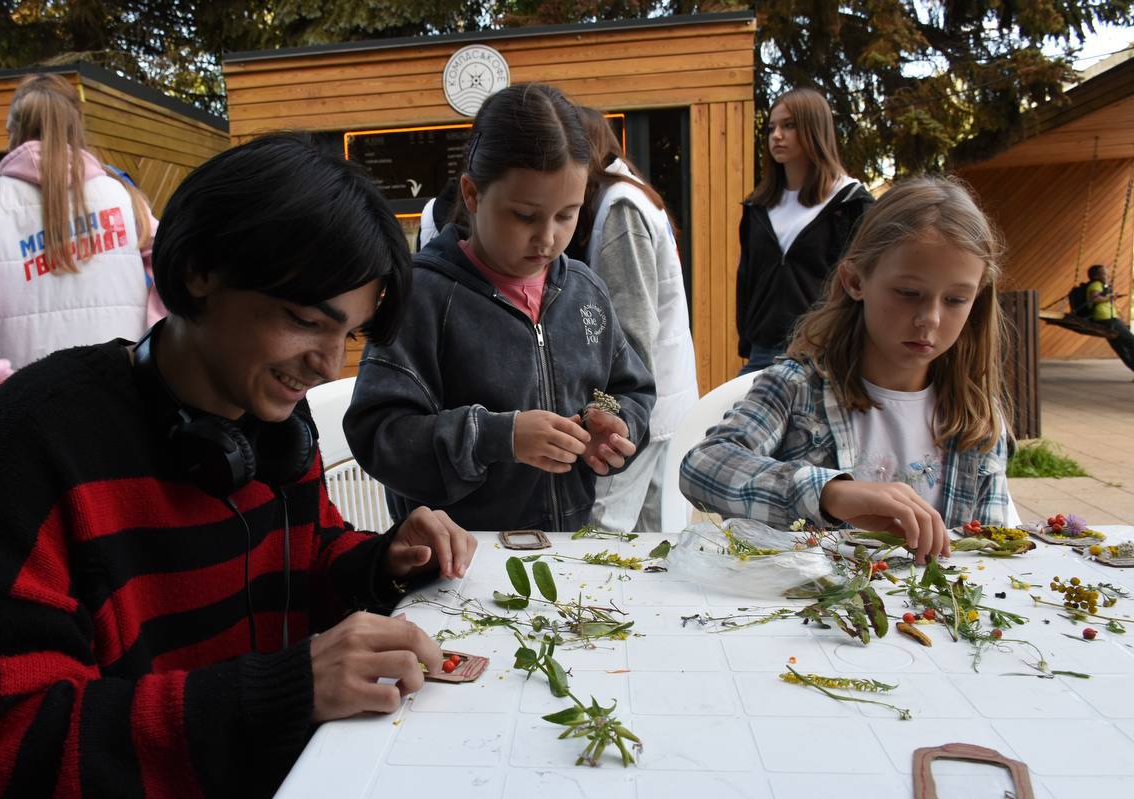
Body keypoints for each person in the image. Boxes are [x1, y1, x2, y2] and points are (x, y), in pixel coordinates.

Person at [0, 132, 477, 799]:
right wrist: (279, 695)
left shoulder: (273, 416)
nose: (327, 364)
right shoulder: (34, 434)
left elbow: (304, 555)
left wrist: (381, 561)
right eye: (305, 320)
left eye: (350, 335)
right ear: (202, 269)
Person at [345, 83, 655, 532]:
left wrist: (615, 424)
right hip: (456, 564)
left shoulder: (585, 291)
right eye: (524, 216)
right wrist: (498, 436)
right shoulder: (423, 296)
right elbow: (380, 435)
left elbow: (631, 388)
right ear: (471, 195)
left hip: (566, 556)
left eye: (567, 214)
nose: (547, 237)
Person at [682, 176, 1011, 562]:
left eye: (956, 299)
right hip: (806, 612)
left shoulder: (977, 417)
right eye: (908, 293)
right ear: (855, 281)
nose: (930, 318)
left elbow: (991, 553)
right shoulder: (796, 386)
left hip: (930, 618)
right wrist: (829, 493)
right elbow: (703, 466)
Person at [0, 73, 163, 394]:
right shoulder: (121, 196)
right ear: (76, 125)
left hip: (28, 389)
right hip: (119, 379)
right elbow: (177, 262)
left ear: (14, 129)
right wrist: (152, 340)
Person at [570, 108, 698, 532]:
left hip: (639, 413)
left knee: (599, 536)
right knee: (652, 540)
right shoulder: (626, 195)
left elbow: (632, 328)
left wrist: (609, 406)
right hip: (659, 405)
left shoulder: (620, 206)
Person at [736, 87, 874, 374]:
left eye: (789, 126)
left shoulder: (850, 204)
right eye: (771, 127)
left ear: (814, 129)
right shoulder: (757, 207)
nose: (776, 135)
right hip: (763, 353)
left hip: (825, 352)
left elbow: (865, 281)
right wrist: (748, 339)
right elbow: (747, 276)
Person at [1083, 264, 1134, 372]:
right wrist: (1110, 297)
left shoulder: (1102, 285)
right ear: (1096, 276)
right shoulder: (1096, 284)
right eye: (1105, 273)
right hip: (1106, 319)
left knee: (1121, 348)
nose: (1108, 275)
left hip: (1108, 318)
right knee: (1130, 342)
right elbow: (1095, 299)